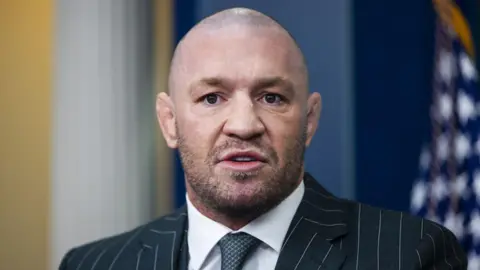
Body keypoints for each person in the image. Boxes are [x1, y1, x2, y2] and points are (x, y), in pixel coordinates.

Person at [59, 7, 467, 270]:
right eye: (211, 97)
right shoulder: (92, 264)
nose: (243, 124)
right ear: (169, 122)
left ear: (309, 120)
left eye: (271, 97)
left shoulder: (413, 255)